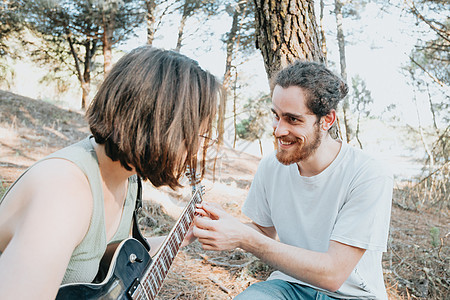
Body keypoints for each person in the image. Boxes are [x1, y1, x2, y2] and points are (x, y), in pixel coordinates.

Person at [0, 46, 219, 299]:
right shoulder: (63, 192)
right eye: (196, 135)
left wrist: (182, 236)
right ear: (160, 127)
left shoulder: (128, 178)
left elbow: (118, 264)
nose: (196, 148)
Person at [193, 61, 393, 299]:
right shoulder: (271, 166)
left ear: (327, 120)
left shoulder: (368, 174)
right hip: (288, 287)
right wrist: (220, 224)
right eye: (276, 116)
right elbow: (262, 232)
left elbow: (333, 274)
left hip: (352, 295)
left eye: (292, 119)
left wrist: (244, 237)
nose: (278, 130)